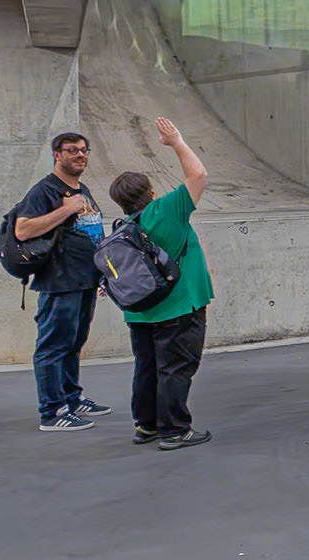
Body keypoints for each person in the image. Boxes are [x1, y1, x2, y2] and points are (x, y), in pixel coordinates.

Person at [108, 117, 214, 450]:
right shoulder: (165, 211)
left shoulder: (123, 227)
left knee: (147, 368)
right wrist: (177, 142)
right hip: (179, 305)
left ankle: (146, 426)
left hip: (140, 312)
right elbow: (198, 175)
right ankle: (174, 430)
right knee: (177, 367)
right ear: (151, 192)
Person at [13, 132, 111, 432]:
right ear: (56, 154)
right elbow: (22, 230)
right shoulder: (44, 191)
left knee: (73, 343)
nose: (80, 155)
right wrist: (66, 209)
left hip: (85, 281)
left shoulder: (82, 188)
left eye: (83, 150)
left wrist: (103, 272)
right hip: (60, 282)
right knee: (53, 346)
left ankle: (71, 397)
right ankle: (52, 412)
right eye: (72, 151)